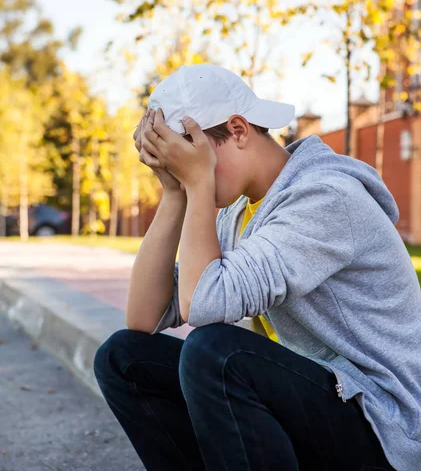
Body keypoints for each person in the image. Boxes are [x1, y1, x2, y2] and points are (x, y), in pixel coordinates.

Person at [93, 63, 421, 471]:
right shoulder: (235, 212)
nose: (190, 172)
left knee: (215, 352)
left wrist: (197, 184)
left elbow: (204, 305)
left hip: (382, 426)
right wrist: (175, 193)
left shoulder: (326, 198)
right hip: (319, 403)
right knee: (123, 357)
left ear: (238, 129)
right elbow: (144, 317)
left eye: (193, 159)